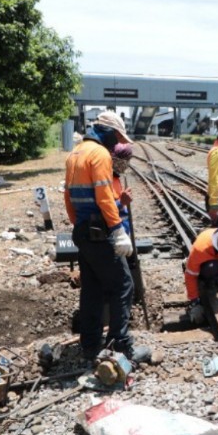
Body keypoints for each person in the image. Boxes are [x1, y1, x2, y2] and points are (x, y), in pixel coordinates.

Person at [64, 110, 151, 364]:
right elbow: (103, 195)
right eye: (117, 138)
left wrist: (80, 224)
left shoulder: (76, 153)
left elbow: (68, 197)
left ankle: (90, 345)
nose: (118, 144)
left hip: (83, 231)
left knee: (91, 289)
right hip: (100, 232)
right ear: (111, 133)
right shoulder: (100, 154)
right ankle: (120, 347)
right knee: (123, 285)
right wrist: (116, 230)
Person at [111, 143, 133, 235]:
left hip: (121, 231)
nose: (127, 164)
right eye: (126, 160)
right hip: (114, 233)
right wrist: (121, 202)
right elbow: (104, 207)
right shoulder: (107, 179)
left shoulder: (115, 178)